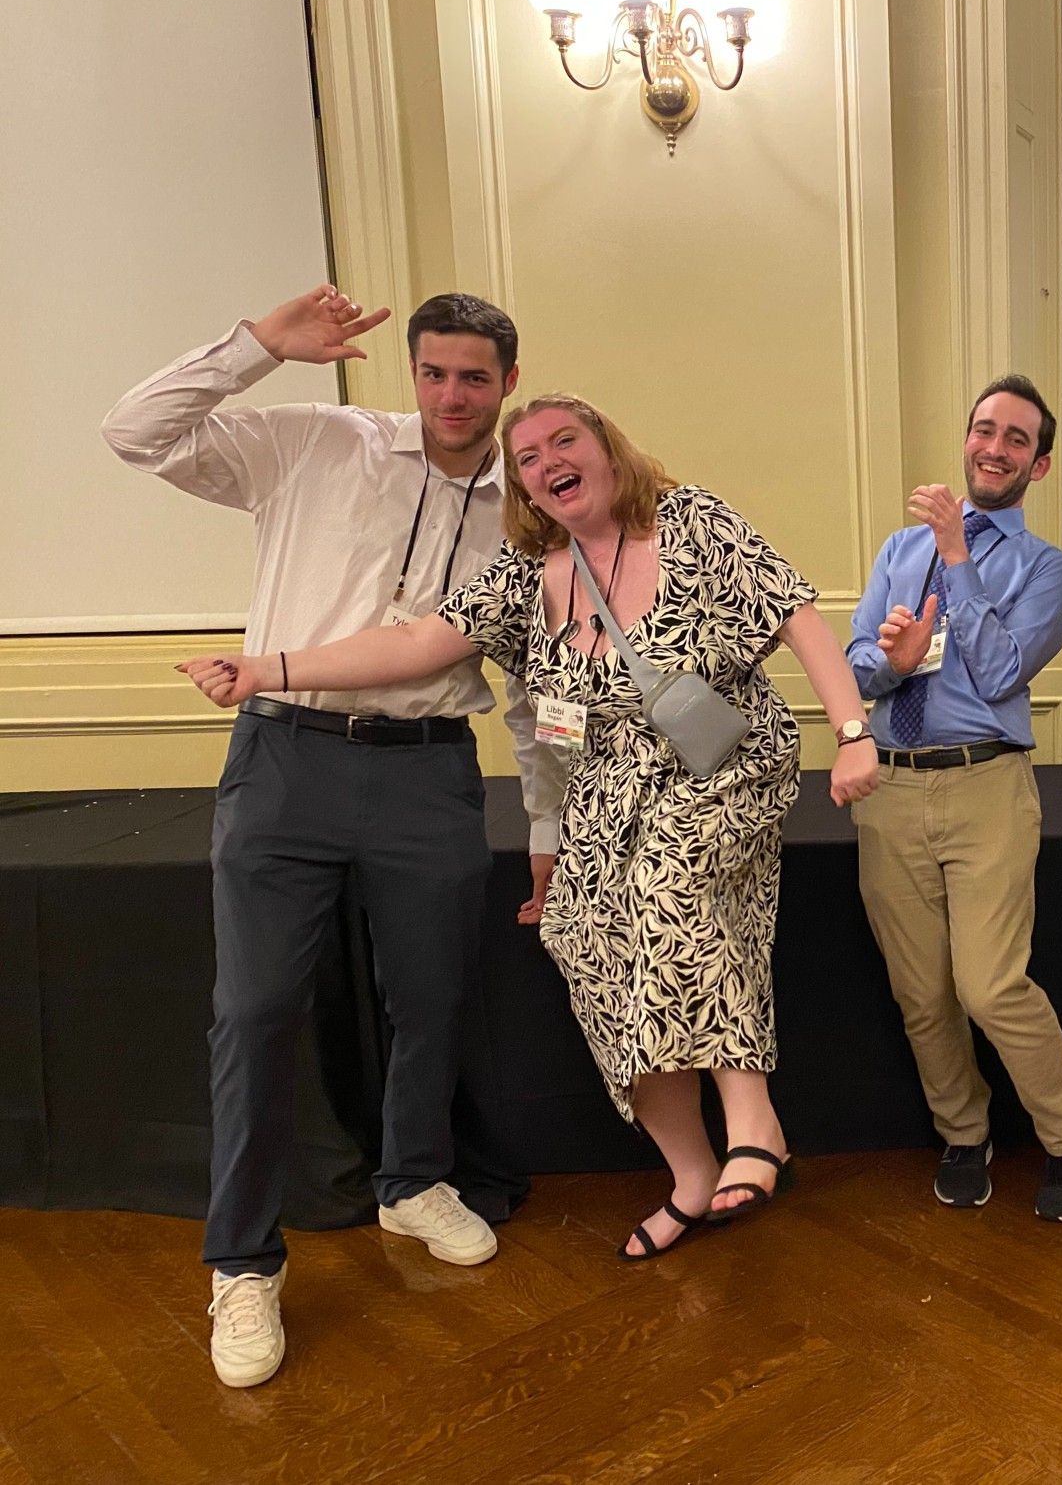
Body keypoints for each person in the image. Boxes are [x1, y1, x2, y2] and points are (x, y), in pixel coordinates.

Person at [177, 393, 880, 1271]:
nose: (550, 461)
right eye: (531, 457)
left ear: (605, 448)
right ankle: (691, 1173)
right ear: (527, 490)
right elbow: (423, 653)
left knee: (671, 885)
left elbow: (798, 618)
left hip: (722, 761)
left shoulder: (694, 521)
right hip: (608, 785)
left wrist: (853, 734)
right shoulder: (523, 580)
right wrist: (268, 669)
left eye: (565, 441)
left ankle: (753, 1121)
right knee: (586, 942)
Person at [102, 286, 564, 1387]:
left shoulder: (529, 507)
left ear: (507, 381)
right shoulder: (315, 442)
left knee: (434, 993)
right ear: (410, 373)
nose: (453, 396)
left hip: (428, 774)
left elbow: (536, 683)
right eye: (434, 372)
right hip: (285, 758)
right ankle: (242, 1265)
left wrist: (544, 817)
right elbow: (134, 432)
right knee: (254, 1011)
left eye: (475, 377)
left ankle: (411, 1182)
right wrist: (260, 348)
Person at [845, 375, 1062, 1221]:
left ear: (1040, 465)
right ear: (967, 440)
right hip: (891, 785)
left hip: (987, 785)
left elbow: (999, 673)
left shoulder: (1044, 567)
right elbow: (856, 668)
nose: (994, 447)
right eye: (983, 429)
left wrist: (959, 556)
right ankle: (964, 1130)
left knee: (990, 987)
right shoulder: (897, 549)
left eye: (1016, 438)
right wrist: (894, 658)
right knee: (920, 991)